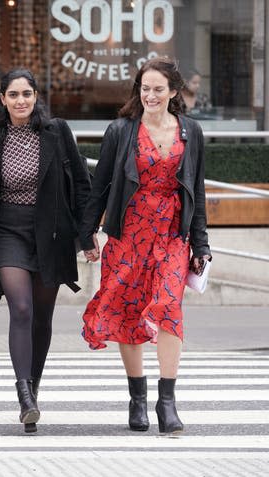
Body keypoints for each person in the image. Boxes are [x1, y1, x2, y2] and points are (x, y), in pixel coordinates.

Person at [78, 57, 212, 435]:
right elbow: (101, 183)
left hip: (171, 234)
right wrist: (88, 231)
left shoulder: (191, 131)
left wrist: (200, 244)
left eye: (158, 89)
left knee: (169, 307)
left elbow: (195, 191)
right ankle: (137, 397)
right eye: (144, 88)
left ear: (173, 92)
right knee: (128, 312)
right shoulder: (121, 131)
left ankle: (166, 401)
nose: (150, 95)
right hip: (128, 234)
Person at [0, 68, 91, 433]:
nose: (21, 101)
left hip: (50, 233)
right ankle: (24, 394)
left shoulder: (57, 132)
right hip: (7, 230)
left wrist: (87, 236)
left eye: (27, 94)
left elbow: (82, 185)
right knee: (20, 307)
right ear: (2, 99)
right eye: (13, 95)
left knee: (42, 317)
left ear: (36, 97)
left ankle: (33, 391)